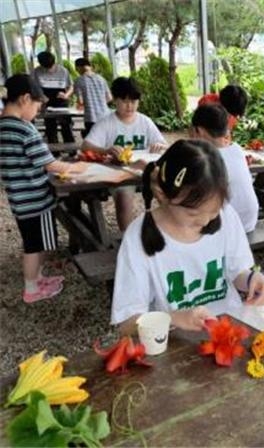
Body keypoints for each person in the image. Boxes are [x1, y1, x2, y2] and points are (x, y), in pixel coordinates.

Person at [111, 139, 264, 335]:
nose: (205, 221)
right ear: (162, 194)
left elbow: (237, 270)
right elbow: (127, 323)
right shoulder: (138, 237)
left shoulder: (227, 216)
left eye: (213, 212)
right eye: (193, 214)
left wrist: (251, 279)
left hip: (228, 330)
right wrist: (172, 318)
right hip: (175, 341)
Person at [0, 74, 87, 303]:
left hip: (19, 199)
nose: (38, 111)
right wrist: (78, 167)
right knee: (36, 247)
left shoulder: (3, 127)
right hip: (36, 200)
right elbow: (51, 164)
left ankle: (37, 279)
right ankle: (32, 288)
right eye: (38, 106)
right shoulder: (25, 129)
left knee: (32, 243)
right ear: (25, 99)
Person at [82, 76, 168, 231]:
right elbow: (85, 146)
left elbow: (163, 144)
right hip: (120, 173)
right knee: (124, 197)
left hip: (144, 171)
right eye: (125, 101)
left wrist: (159, 145)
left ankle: (171, 230)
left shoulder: (145, 121)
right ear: (115, 100)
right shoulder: (107, 122)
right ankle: (127, 236)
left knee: (166, 190)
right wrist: (106, 150)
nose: (130, 106)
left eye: (134, 102)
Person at [191, 104, 259, 233]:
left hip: (227, 228)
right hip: (249, 221)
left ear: (199, 131)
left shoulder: (205, 159)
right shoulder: (237, 149)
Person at [32, 51, 75, 143]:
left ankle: (71, 150)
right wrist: (41, 97)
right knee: (50, 127)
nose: (48, 70)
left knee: (66, 126)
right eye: (45, 68)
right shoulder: (36, 71)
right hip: (46, 101)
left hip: (61, 101)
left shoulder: (63, 71)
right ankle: (55, 153)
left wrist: (66, 95)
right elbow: (34, 87)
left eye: (50, 67)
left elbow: (71, 86)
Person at [73, 57, 112, 137]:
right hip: (105, 115)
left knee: (93, 142)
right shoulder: (101, 79)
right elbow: (109, 98)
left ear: (78, 67)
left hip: (91, 117)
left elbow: (81, 101)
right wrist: (100, 103)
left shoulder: (79, 80)